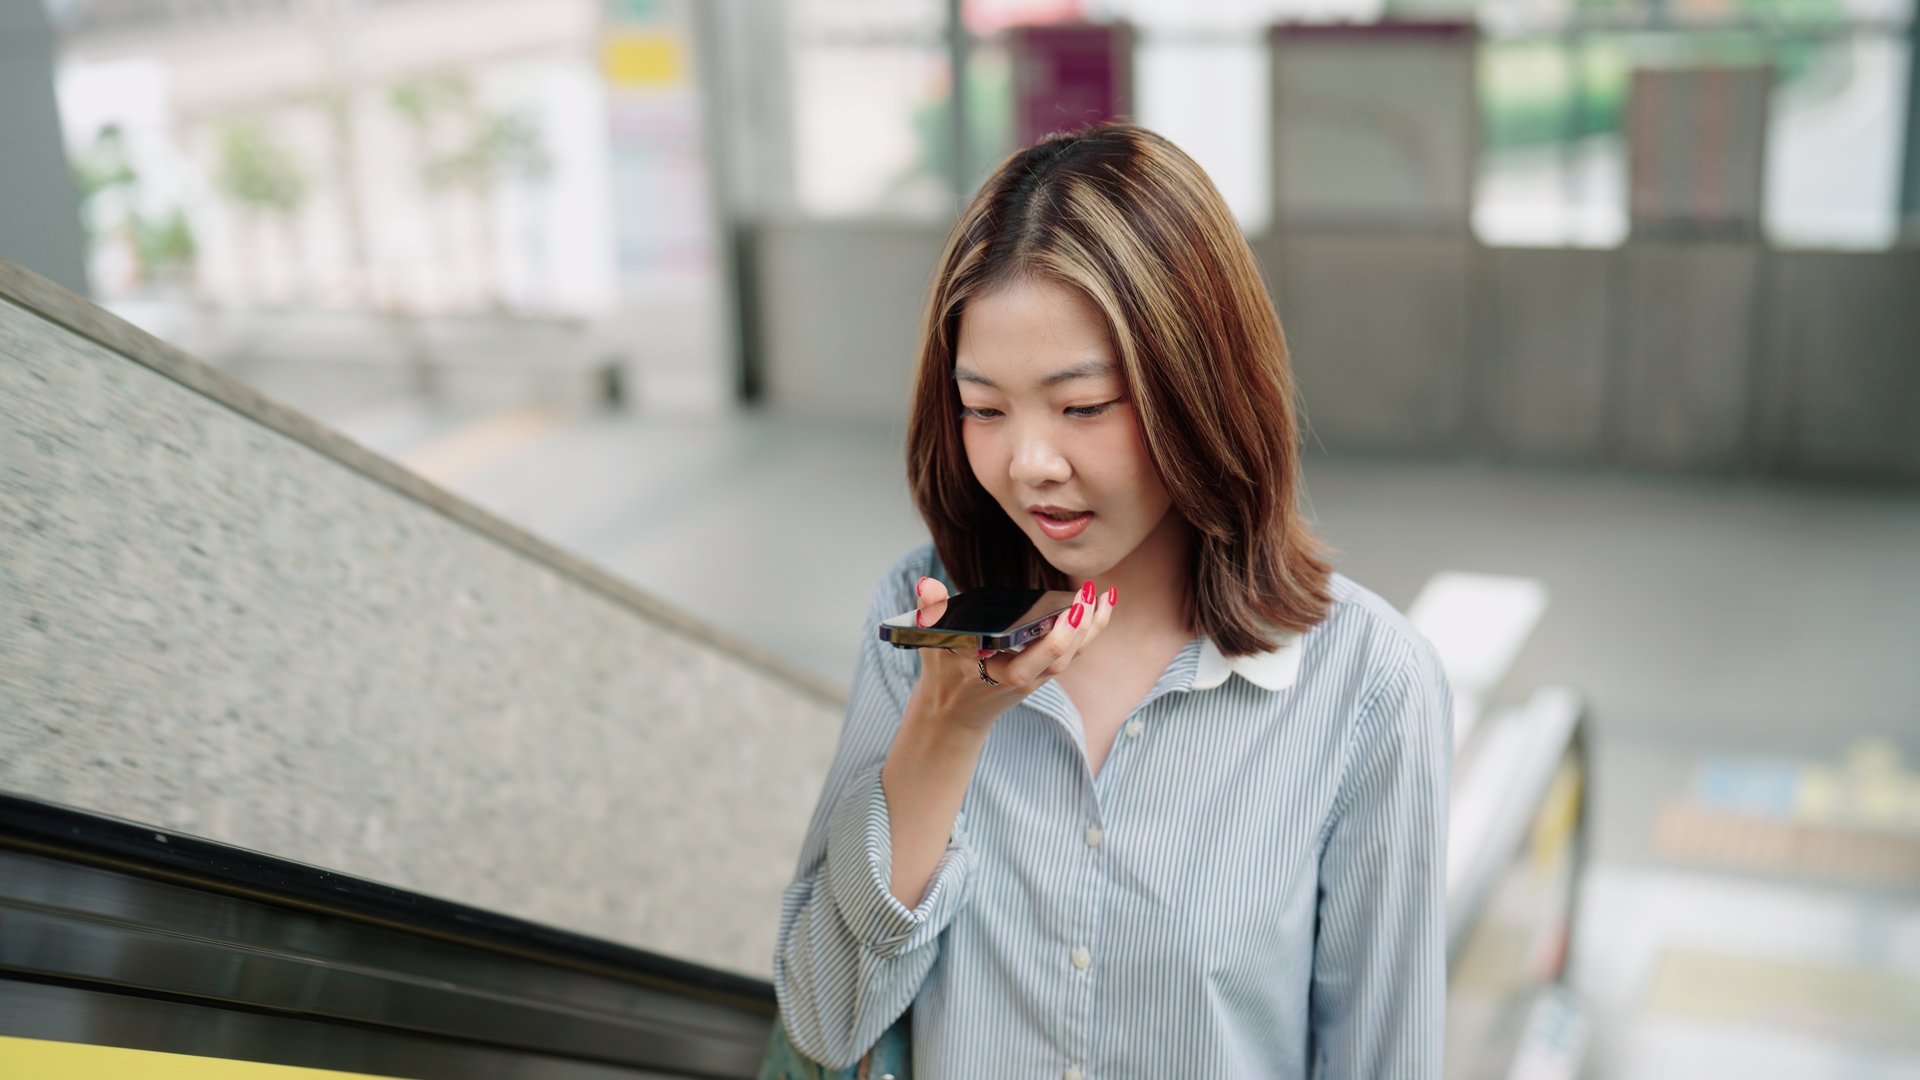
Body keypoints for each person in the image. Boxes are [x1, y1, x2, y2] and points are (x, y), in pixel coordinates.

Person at [770, 121, 1453, 1078]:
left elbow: (1383, 1057)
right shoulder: (927, 618)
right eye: (984, 408)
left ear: (1200, 386)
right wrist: (944, 731)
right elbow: (821, 1018)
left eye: (1082, 407)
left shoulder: (1369, 685)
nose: (1029, 464)